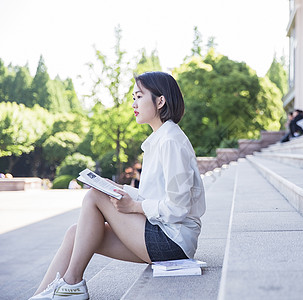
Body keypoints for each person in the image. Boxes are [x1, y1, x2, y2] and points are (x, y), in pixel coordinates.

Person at [29, 71, 206, 300]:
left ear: (160, 101)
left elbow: (178, 207)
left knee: (93, 197)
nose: (134, 103)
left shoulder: (171, 141)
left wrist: (134, 207)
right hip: (162, 234)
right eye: (133, 97)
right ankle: (40, 295)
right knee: (75, 233)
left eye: (140, 97)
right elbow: (155, 195)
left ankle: (72, 283)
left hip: (173, 242)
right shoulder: (160, 139)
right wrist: (119, 188)